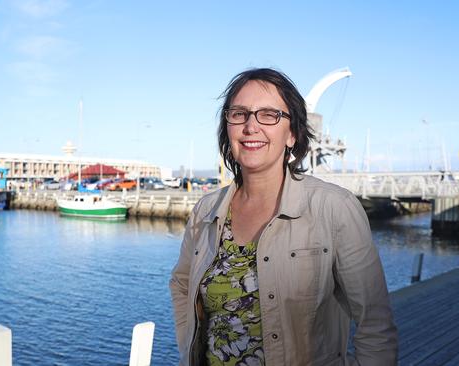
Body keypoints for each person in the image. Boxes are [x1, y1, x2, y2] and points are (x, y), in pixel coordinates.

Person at [170, 68, 397, 366]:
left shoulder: (333, 208)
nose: (251, 126)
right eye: (239, 114)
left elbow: (374, 323)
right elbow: (182, 283)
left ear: (292, 134)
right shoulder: (206, 212)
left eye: (268, 115)